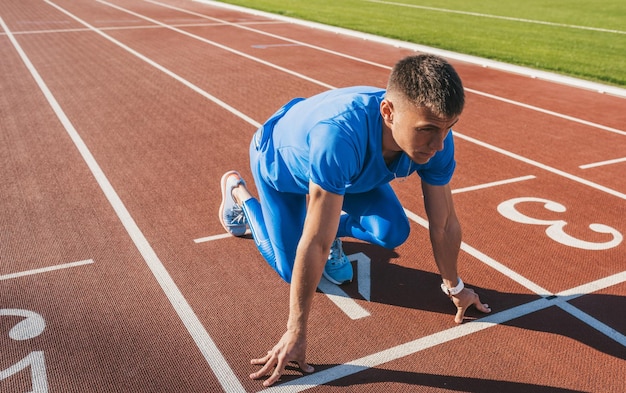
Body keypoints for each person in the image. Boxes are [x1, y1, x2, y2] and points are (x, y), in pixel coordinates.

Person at [218, 54, 491, 387]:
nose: (438, 144)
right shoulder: (338, 137)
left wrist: (456, 287)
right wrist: (296, 332)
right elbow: (316, 241)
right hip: (280, 164)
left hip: (351, 173)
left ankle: (331, 217)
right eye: (428, 131)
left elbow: (445, 222)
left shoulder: (437, 140)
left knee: (393, 230)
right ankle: (240, 196)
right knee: (294, 271)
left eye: (449, 128)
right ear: (388, 113)